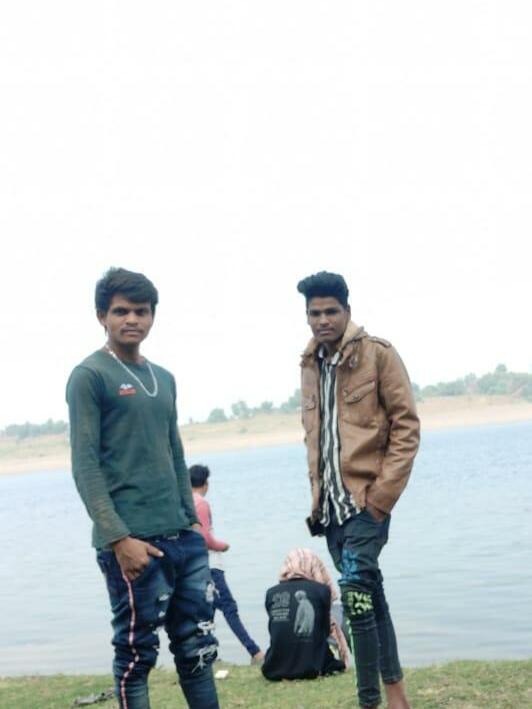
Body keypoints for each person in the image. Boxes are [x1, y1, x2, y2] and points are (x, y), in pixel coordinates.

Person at [66, 267, 219, 709]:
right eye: (121, 311)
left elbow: (175, 452)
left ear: (152, 315)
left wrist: (193, 525)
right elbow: (85, 465)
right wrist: (119, 539)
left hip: (182, 537)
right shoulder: (89, 376)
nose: (132, 319)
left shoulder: (164, 378)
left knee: (196, 648)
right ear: (102, 316)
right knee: (137, 655)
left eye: (141, 311)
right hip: (133, 542)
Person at [297, 271, 420, 709]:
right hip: (329, 509)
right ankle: (397, 696)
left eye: (331, 311)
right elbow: (316, 438)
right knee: (372, 597)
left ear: (347, 311)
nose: (323, 320)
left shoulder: (378, 355)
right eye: (315, 313)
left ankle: (369, 702)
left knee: (355, 600)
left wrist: (382, 499)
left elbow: (407, 428)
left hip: (367, 503)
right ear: (307, 316)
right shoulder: (309, 365)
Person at [189, 464, 264, 664]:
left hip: (195, 566)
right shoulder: (201, 503)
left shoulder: (186, 502)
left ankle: (207, 653)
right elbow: (205, 537)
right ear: (205, 484)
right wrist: (222, 546)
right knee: (229, 608)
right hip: (211, 566)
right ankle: (255, 652)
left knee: (208, 611)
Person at [262, 548, 348, 681]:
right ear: (316, 567)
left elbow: (274, 630)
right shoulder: (322, 590)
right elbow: (325, 631)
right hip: (312, 666)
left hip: (274, 668)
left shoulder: (271, 593)